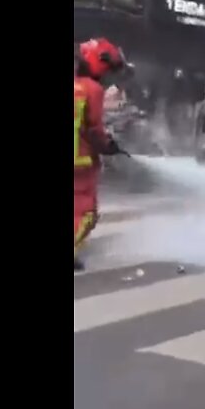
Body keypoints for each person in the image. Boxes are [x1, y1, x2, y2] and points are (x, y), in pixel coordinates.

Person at [74, 38, 130, 273]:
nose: (108, 77)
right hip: (80, 161)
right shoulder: (92, 90)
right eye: (108, 70)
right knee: (86, 211)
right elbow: (94, 130)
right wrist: (109, 146)